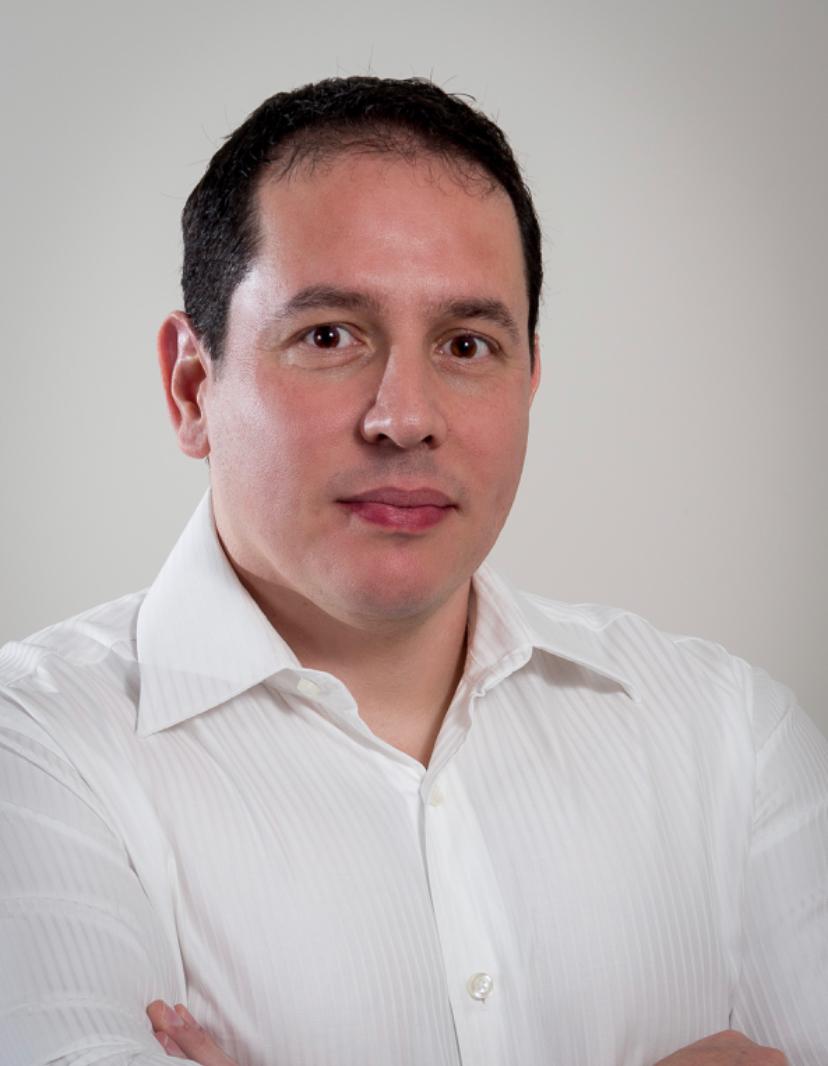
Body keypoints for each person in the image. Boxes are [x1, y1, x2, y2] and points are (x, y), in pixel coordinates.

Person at [1, 76, 825, 1066]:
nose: (406, 417)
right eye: (329, 336)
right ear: (190, 386)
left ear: (528, 380)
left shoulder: (731, 739)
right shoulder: (36, 747)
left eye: (467, 345)